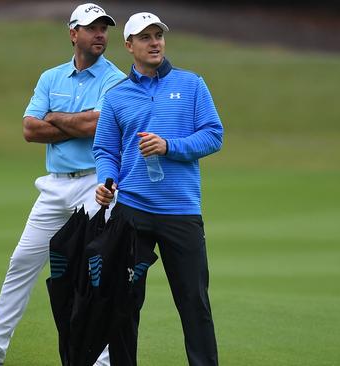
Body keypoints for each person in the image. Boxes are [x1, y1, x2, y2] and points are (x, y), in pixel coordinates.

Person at [0, 3, 125, 365]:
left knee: (94, 271)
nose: (101, 34)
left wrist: (55, 119)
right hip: (55, 185)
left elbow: (99, 126)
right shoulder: (50, 78)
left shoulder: (115, 79)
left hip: (96, 185)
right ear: (74, 33)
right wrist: (76, 122)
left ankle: (102, 358)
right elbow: (30, 130)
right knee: (22, 260)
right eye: (92, 28)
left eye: (104, 28)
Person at [93, 12, 223, 366]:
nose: (154, 42)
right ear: (129, 45)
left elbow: (213, 135)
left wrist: (170, 146)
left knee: (194, 302)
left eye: (158, 36)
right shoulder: (117, 96)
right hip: (132, 210)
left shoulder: (192, 84)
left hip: (180, 211)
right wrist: (107, 181)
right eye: (145, 37)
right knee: (124, 300)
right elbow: (105, 150)